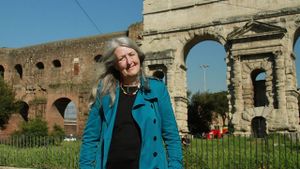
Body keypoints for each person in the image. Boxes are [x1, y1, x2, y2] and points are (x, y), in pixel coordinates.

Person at [79, 36, 183, 169]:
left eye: (131, 54)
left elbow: (171, 135)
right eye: (122, 58)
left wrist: (175, 166)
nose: (129, 61)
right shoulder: (104, 91)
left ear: (138, 56)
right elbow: (90, 137)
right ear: (115, 65)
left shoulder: (157, 88)